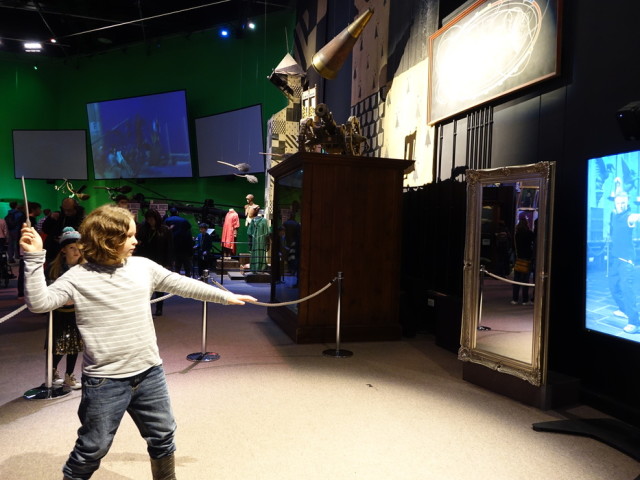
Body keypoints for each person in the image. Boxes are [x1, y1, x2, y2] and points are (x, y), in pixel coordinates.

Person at [20, 204, 256, 480]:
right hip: (105, 380)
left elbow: (182, 284)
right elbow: (39, 303)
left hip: (149, 372)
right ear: (108, 240)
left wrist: (225, 296)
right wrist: (34, 258)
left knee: (163, 436)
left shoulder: (143, 267)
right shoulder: (78, 276)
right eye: (129, 236)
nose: (136, 240)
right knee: (93, 447)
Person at [46, 227, 84, 389]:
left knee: (75, 346)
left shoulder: (85, 268)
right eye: (72, 248)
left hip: (77, 313)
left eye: (79, 248)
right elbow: (49, 290)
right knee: (58, 346)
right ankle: (52, 371)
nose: (76, 252)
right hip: (59, 314)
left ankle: (69, 375)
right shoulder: (54, 268)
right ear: (63, 250)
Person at [608, 191, 640, 333]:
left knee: (627, 290)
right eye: (618, 202)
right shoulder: (614, 214)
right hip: (616, 258)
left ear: (627, 203)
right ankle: (623, 309)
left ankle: (634, 322)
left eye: (623, 203)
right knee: (613, 286)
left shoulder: (629, 216)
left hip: (626, 260)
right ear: (615, 203)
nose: (621, 205)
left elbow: (636, 217)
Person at [136, 208, 174, 316]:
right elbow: (139, 244)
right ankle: (145, 308)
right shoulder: (143, 229)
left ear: (156, 218)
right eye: (148, 219)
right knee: (145, 286)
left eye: (152, 219)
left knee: (159, 287)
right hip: (145, 261)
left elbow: (169, 248)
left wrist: (168, 263)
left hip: (160, 261)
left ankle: (159, 308)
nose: (150, 221)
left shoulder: (165, 230)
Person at [511, 215, 535, 305]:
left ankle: (515, 299)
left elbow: (513, 247)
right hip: (527, 258)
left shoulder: (516, 234)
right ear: (526, 224)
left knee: (516, 280)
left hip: (518, 258)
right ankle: (525, 300)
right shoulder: (529, 233)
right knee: (525, 280)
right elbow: (534, 243)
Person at [164, 208, 194, 277]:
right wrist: (191, 251)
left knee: (176, 267)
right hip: (184, 248)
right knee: (187, 267)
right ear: (177, 212)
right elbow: (189, 235)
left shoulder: (167, 220)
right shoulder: (184, 221)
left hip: (173, 247)